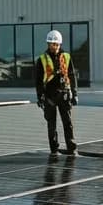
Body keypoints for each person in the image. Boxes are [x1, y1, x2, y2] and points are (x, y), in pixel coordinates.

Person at [34, 29, 77, 158]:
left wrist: (74, 94)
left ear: (60, 44)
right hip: (49, 96)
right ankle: (54, 150)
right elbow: (38, 81)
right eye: (52, 44)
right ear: (48, 44)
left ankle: (72, 149)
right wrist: (40, 96)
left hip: (64, 94)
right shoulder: (41, 59)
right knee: (51, 125)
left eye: (56, 44)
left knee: (68, 123)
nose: (54, 46)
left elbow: (72, 75)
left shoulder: (67, 57)